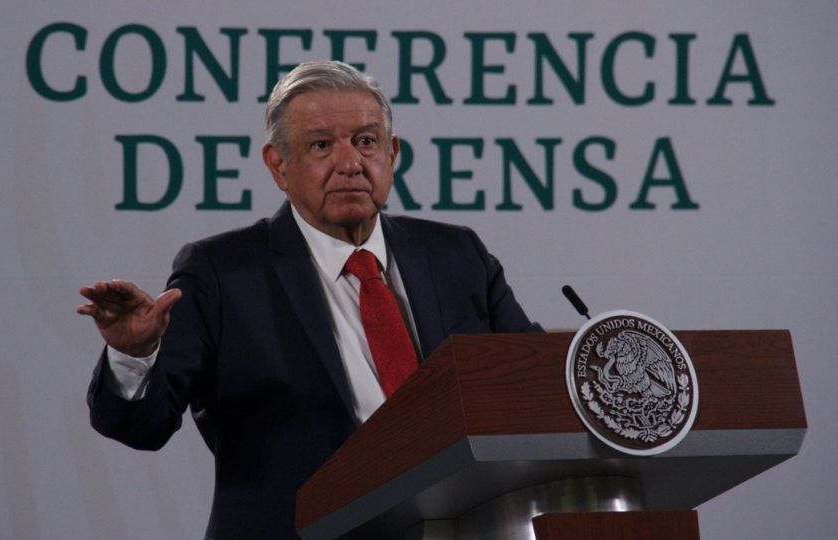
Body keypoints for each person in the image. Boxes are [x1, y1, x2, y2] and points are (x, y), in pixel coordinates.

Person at [78, 60, 540, 540]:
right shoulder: (221, 273)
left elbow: (532, 385)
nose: (349, 163)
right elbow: (142, 427)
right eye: (321, 145)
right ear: (279, 165)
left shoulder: (456, 254)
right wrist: (133, 355)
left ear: (392, 152)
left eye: (366, 141)